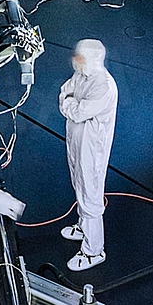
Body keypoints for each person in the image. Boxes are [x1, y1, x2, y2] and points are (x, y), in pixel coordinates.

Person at [59, 37, 117, 272]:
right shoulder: (82, 74)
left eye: (81, 58)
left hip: (92, 148)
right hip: (76, 140)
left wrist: (70, 105)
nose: (76, 61)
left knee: (90, 193)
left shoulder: (104, 85)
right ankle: (83, 226)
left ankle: (94, 250)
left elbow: (79, 111)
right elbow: (65, 93)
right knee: (78, 183)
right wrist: (70, 104)